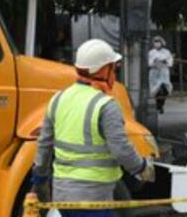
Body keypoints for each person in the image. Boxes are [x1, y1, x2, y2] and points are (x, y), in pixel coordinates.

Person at [33, 39, 155, 216]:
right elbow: (121, 150)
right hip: (94, 198)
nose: (114, 74)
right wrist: (143, 168)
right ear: (103, 70)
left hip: (62, 198)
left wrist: (40, 180)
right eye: (113, 68)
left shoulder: (58, 99)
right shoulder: (106, 105)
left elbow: (43, 146)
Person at [148, 36, 174, 114]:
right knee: (156, 90)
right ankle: (158, 105)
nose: (157, 43)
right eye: (155, 42)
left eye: (158, 42)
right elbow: (150, 63)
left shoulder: (166, 52)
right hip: (155, 73)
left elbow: (170, 62)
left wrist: (164, 62)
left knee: (165, 89)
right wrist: (155, 62)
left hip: (164, 72)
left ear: (162, 43)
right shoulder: (151, 52)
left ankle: (161, 105)